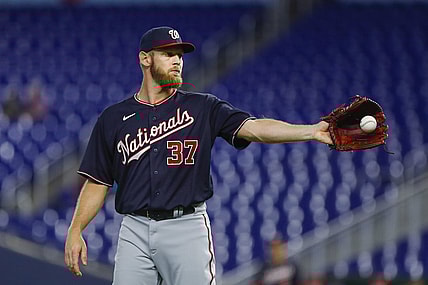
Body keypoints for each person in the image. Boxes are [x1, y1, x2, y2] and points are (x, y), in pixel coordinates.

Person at [64, 26, 332, 285]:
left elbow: (254, 128)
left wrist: (310, 131)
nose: (177, 61)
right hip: (134, 228)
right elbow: (97, 181)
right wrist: (76, 229)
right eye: (168, 54)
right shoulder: (113, 118)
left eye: (180, 55)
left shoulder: (202, 107)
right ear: (145, 59)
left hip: (186, 227)